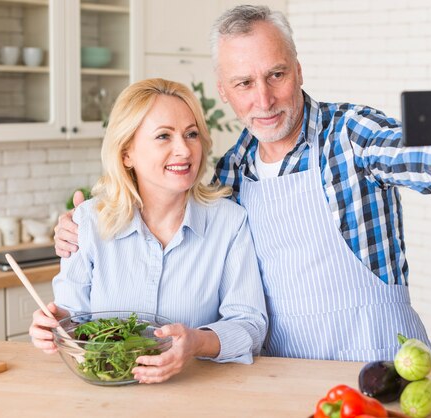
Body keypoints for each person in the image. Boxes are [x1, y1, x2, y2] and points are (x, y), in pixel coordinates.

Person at [54, 6, 431, 362]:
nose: (264, 99)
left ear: (298, 69)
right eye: (244, 83)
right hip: (283, 377)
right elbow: (169, 225)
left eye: (276, 74)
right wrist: (80, 230)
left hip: (385, 364)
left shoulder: (349, 134)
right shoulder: (230, 174)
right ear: (223, 90)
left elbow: (417, 159)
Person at [30, 78, 268, 384]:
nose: (183, 150)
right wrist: (55, 325)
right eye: (163, 136)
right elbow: (73, 316)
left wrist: (196, 342)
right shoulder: (89, 221)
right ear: (127, 153)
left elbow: (249, 326)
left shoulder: (229, 223)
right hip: (107, 395)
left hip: (195, 394)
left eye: (191, 134)